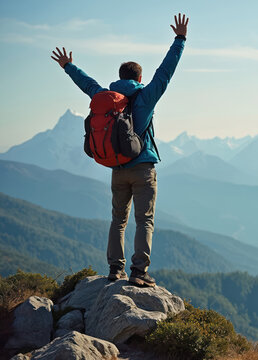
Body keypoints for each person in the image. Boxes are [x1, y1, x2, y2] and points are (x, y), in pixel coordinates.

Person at [50, 14, 189, 287]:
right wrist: (180, 40)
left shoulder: (107, 98)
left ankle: (116, 269)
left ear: (119, 78)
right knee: (144, 220)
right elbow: (166, 72)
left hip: (117, 168)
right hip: (143, 168)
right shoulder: (145, 97)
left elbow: (87, 84)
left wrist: (69, 66)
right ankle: (139, 272)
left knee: (118, 220)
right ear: (139, 77)